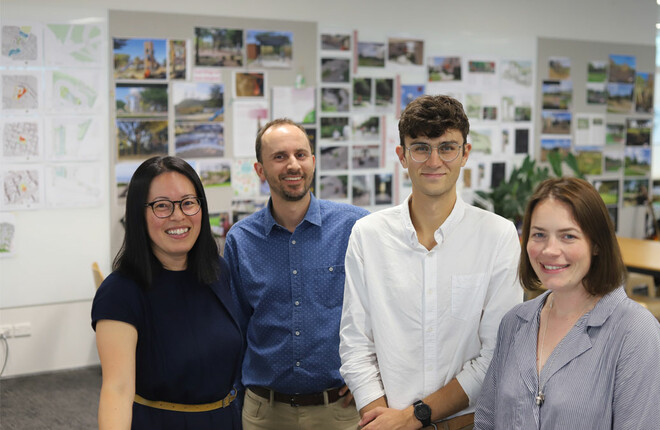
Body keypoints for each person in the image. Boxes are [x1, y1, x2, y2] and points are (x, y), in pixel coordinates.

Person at [339, 95, 523, 430]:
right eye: (421, 147)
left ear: (465, 153)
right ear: (402, 156)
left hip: (464, 424)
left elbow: (496, 354)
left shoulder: (498, 236)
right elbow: (355, 346)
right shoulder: (368, 235)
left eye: (447, 147)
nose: (434, 160)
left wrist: (414, 418)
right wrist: (383, 421)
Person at [474, 177, 660, 429]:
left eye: (568, 236)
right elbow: (487, 420)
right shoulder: (515, 322)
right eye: (539, 235)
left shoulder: (636, 334)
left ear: (597, 245)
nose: (549, 250)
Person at [224, 118, 369, 429]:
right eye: (279, 157)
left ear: (313, 162)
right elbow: (235, 329)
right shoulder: (241, 239)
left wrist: (378, 373)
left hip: (341, 411)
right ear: (260, 170)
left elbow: (386, 308)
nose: (293, 165)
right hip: (265, 412)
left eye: (301, 155)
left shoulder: (355, 227)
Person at [92, 156, 243, 429]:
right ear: (139, 213)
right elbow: (117, 390)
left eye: (188, 203)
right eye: (162, 206)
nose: (178, 215)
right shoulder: (119, 292)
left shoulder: (217, 271)